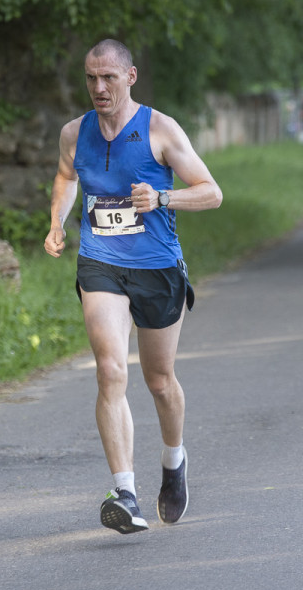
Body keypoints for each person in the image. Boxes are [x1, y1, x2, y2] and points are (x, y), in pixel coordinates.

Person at [44, 39, 223, 534]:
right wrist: (58, 221)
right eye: (90, 78)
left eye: (109, 78)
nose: (99, 88)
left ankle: (174, 460)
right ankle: (124, 491)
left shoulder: (159, 129)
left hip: (157, 267)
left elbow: (212, 193)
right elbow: (65, 178)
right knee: (108, 369)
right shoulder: (73, 133)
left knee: (160, 381)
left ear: (131, 76)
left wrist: (163, 196)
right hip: (100, 261)